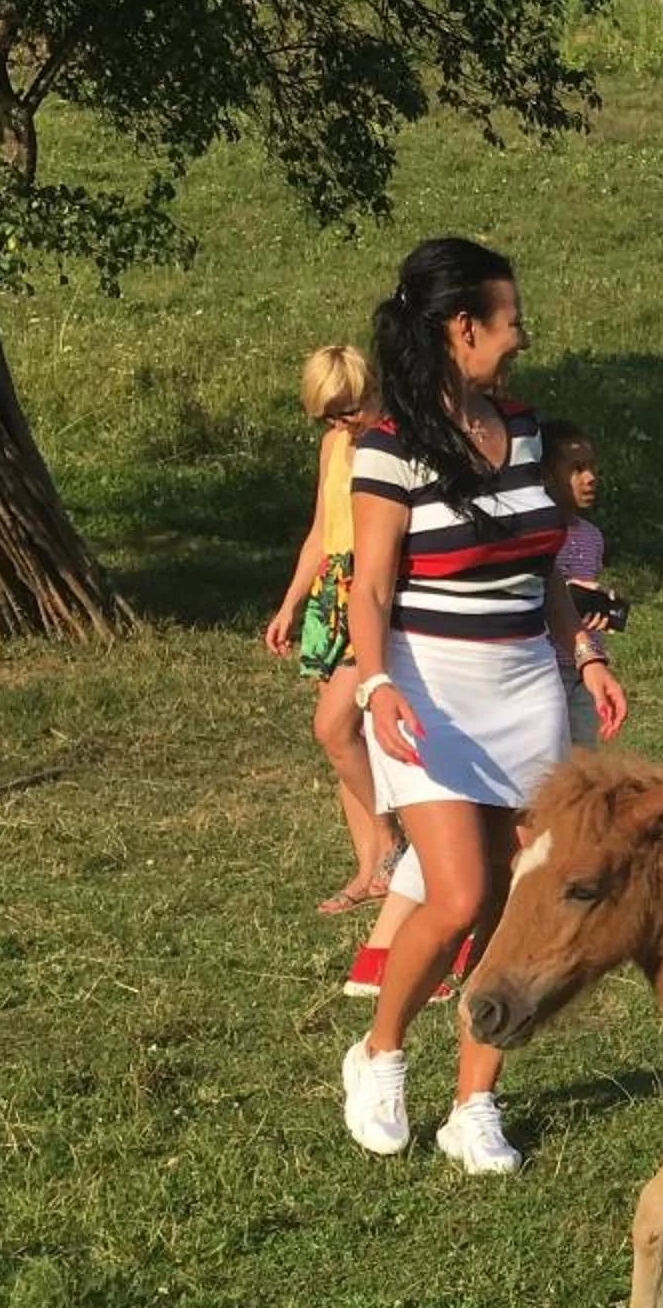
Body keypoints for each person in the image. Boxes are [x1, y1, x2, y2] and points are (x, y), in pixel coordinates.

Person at [341, 237, 625, 1174]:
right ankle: (380, 1052)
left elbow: (546, 567)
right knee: (457, 890)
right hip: (427, 695)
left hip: (525, 693)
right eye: (510, 318)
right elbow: (372, 587)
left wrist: (581, 655)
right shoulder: (389, 447)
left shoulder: (527, 428)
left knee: (512, 906)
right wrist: (375, 685)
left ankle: (475, 1101)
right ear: (465, 327)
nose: (523, 334)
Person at [262, 345, 398, 913]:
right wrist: (291, 603)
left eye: (349, 409)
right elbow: (321, 532)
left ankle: (393, 840)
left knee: (333, 728)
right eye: (329, 416)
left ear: (371, 389)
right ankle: (367, 869)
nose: (343, 423)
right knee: (345, 747)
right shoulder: (335, 448)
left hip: (370, 589)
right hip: (329, 596)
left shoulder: (396, 442)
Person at [542, 419, 619, 752]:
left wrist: (601, 604)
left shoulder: (591, 535)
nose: (590, 478)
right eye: (576, 469)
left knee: (582, 755)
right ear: (545, 474)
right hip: (546, 667)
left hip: (584, 669)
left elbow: (587, 584)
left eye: (592, 467)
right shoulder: (536, 532)